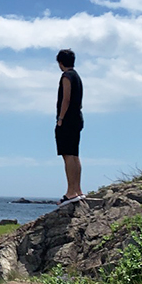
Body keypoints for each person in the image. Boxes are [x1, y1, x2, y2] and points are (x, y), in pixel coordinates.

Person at [54, 48, 84, 205]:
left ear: (60, 62)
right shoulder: (77, 76)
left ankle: (71, 192)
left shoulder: (66, 76)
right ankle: (77, 190)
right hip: (77, 119)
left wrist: (60, 119)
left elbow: (66, 99)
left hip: (68, 120)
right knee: (74, 154)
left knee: (67, 155)